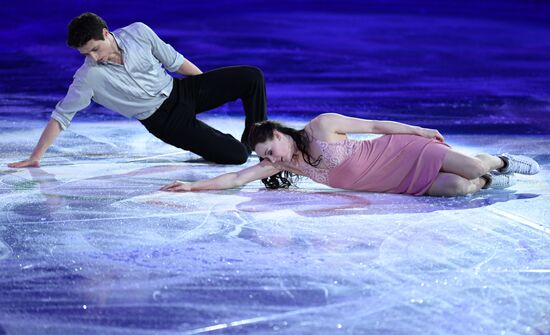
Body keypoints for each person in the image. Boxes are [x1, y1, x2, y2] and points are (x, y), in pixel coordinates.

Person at [8, 12, 268, 169]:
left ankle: (259, 139)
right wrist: (35, 156)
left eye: (95, 49)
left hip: (181, 90)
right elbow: (61, 116)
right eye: (86, 54)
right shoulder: (89, 77)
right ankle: (226, 143)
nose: (94, 58)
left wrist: (208, 87)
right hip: (165, 121)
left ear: (106, 33)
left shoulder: (138, 33)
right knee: (236, 156)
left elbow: (175, 61)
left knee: (252, 77)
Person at [160, 113, 541, 197]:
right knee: (461, 187)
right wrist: (194, 189)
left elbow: (375, 127)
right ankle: (492, 180)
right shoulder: (282, 163)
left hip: (401, 152)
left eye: (268, 148)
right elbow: (237, 178)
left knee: (471, 164)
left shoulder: (322, 126)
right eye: (264, 156)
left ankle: (501, 161)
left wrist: (419, 130)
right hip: (396, 184)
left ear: (278, 133)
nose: (269, 157)